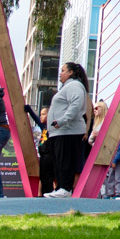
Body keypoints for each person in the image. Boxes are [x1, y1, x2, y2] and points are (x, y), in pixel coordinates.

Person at [43, 63, 90, 199]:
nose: (60, 73)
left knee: (65, 160)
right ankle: (61, 187)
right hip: (60, 131)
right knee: (59, 160)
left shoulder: (74, 86)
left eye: (63, 70)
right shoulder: (67, 87)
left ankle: (65, 188)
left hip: (68, 130)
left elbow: (76, 105)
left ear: (70, 72)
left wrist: (63, 120)